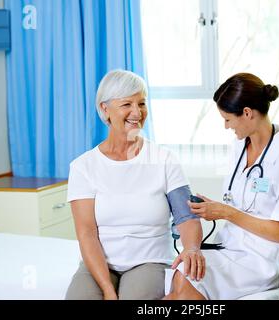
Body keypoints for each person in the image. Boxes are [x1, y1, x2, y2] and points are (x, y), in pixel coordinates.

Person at [164, 73, 279, 300]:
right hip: (229, 247)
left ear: (247, 113)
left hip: (260, 261)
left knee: (184, 285)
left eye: (228, 119)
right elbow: (239, 202)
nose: (225, 126)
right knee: (181, 273)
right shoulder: (239, 147)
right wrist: (213, 208)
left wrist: (226, 213)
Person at [65, 70, 205, 300]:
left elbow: (186, 217)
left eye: (141, 103)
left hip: (149, 262)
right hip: (101, 264)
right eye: (126, 104)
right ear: (104, 109)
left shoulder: (164, 159)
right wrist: (108, 290)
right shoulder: (83, 167)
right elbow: (87, 234)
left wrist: (191, 249)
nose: (137, 112)